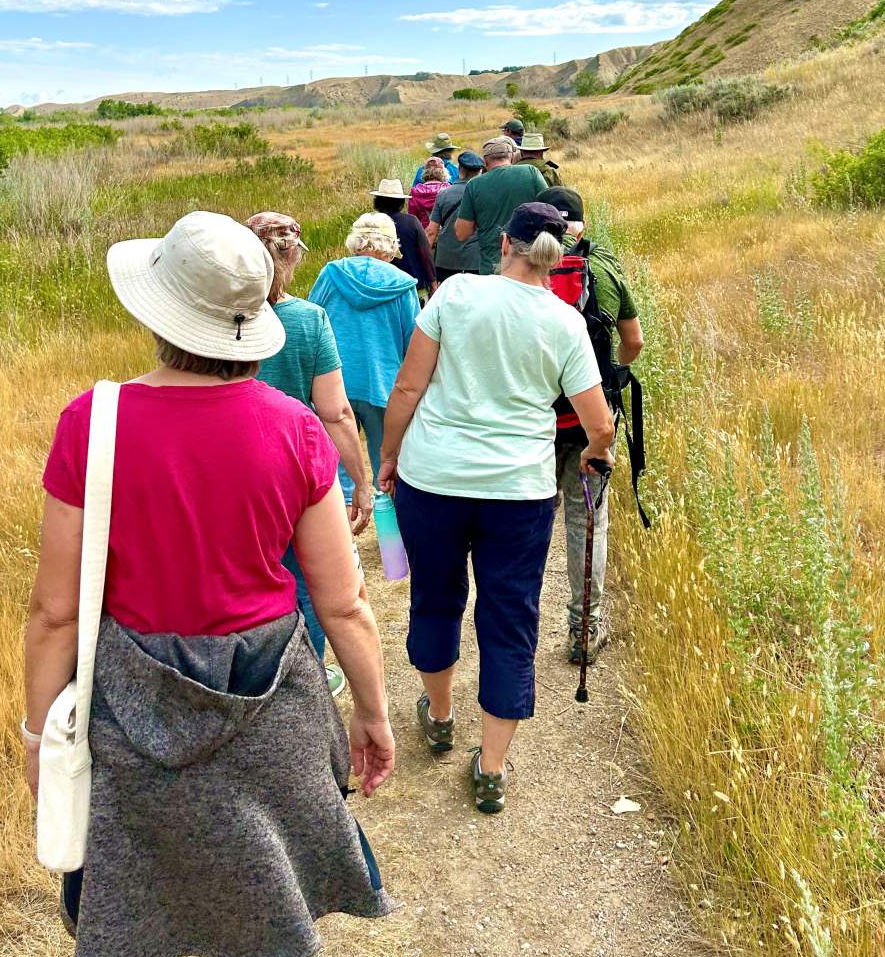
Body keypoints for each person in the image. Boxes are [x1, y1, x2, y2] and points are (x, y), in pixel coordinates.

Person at [24, 211, 394, 957]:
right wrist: (372, 716)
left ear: (157, 313)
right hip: (273, 721)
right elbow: (343, 610)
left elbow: (53, 613)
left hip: (129, 724)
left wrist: (43, 737)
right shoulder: (295, 429)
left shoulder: (94, 423)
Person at [378, 203, 615, 815]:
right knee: (509, 616)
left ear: (503, 241)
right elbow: (600, 424)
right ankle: (491, 767)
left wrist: (389, 456)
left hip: (434, 477)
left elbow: (408, 386)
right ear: (557, 255)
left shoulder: (455, 294)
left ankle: (438, 714)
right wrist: (591, 454)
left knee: (435, 594)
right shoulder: (563, 321)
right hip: (519, 490)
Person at [246, 211, 374, 695]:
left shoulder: (221, 322)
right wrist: (359, 482)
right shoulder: (308, 320)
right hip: (301, 477)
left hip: (238, 477)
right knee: (313, 584)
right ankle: (310, 676)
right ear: (293, 257)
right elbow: (336, 412)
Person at [537, 188, 643, 663]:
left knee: (533, 519)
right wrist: (614, 377)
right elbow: (633, 341)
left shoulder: (525, 270)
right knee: (587, 520)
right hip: (590, 419)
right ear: (580, 222)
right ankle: (584, 630)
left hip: (535, 419)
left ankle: (518, 626)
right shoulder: (601, 266)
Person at [309, 213, 420, 503]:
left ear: (355, 242)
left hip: (334, 386)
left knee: (339, 468)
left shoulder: (331, 274)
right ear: (390, 245)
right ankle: (393, 541)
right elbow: (414, 344)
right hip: (384, 387)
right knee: (387, 464)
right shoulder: (403, 284)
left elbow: (311, 323)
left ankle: (342, 540)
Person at [452, 138, 545, 276]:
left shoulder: (474, 185)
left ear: (485, 161)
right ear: (512, 157)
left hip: (493, 264)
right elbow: (549, 209)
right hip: (531, 261)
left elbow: (461, 233)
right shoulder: (531, 172)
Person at [371, 177, 437, 293]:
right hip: (412, 284)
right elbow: (425, 254)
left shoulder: (371, 223)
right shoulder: (411, 222)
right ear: (400, 202)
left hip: (381, 286)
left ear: (377, 201)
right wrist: (433, 282)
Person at [427, 150, 482, 282]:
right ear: (480, 171)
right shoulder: (484, 194)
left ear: (459, 169)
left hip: (446, 259)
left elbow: (431, 232)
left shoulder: (443, 194)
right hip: (474, 259)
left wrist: (426, 262)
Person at [408, 157, 451, 229]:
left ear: (425, 172)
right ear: (444, 172)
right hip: (445, 234)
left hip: (424, 234)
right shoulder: (449, 189)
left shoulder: (415, 191)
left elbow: (412, 220)